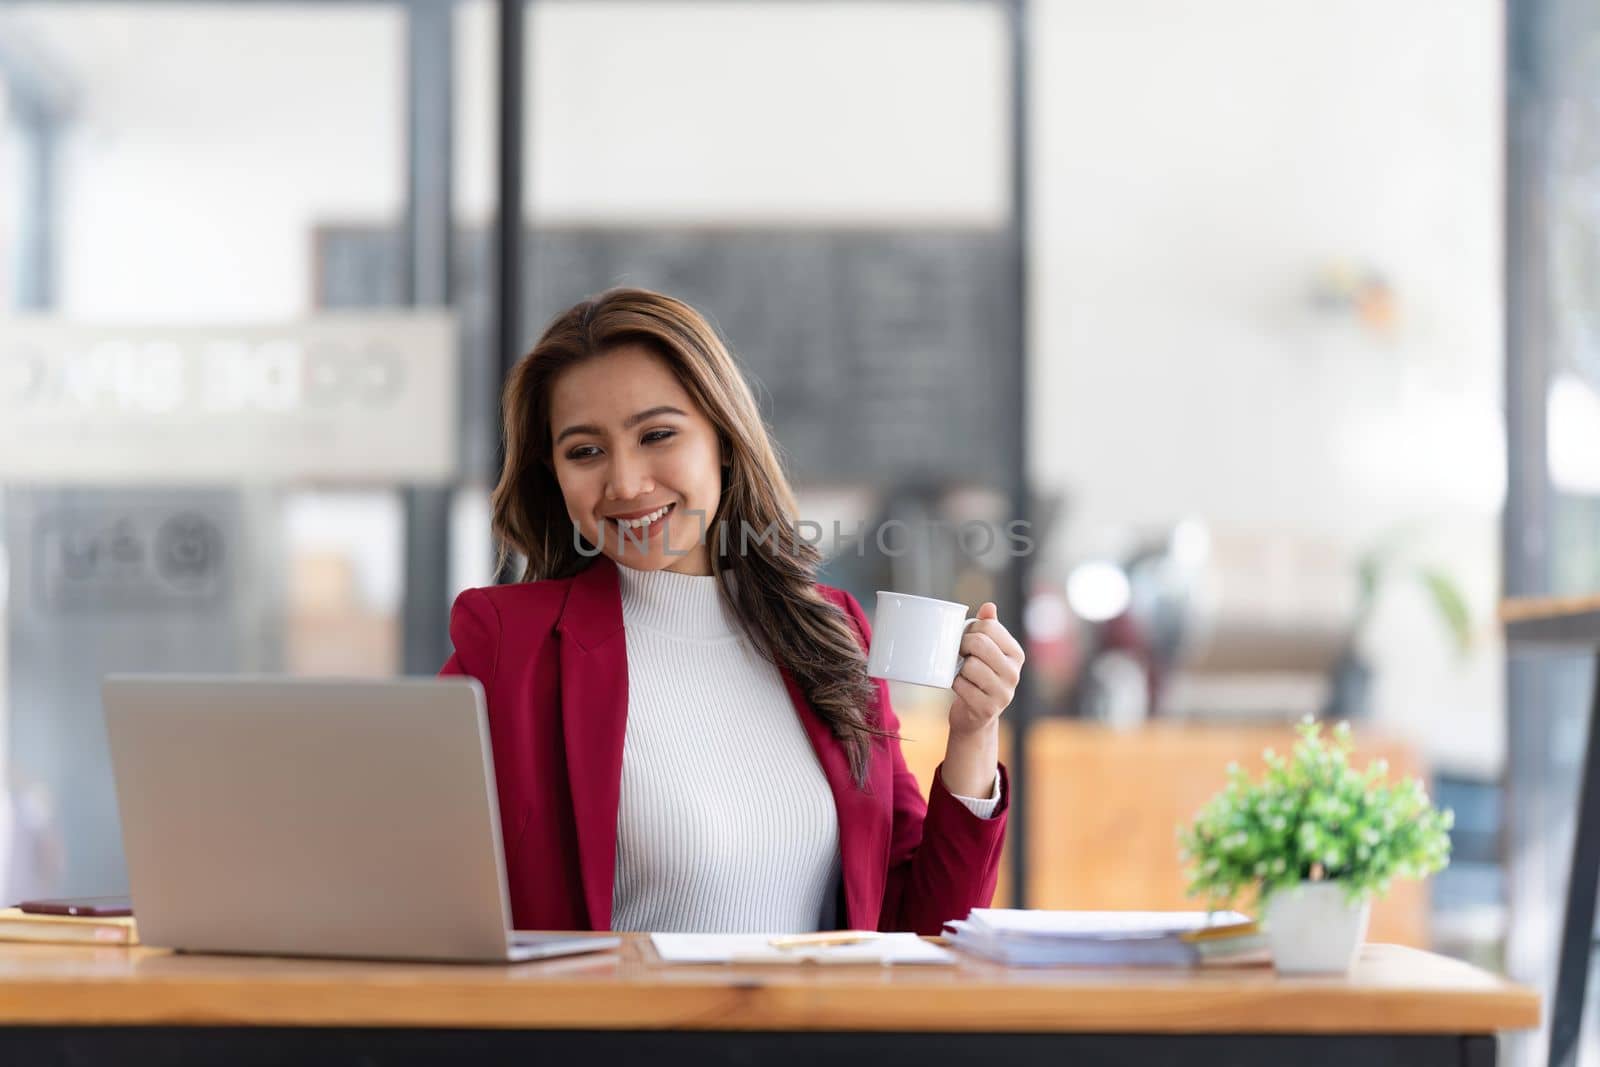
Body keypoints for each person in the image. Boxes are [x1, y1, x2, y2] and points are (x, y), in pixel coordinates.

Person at [440, 288, 1025, 935]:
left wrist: (973, 733)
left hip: (815, 1033)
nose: (627, 482)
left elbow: (922, 926)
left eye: (657, 434)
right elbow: (420, 875)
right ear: (552, 472)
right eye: (585, 450)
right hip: (616, 1033)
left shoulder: (831, 632)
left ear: (721, 437)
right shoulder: (510, 644)